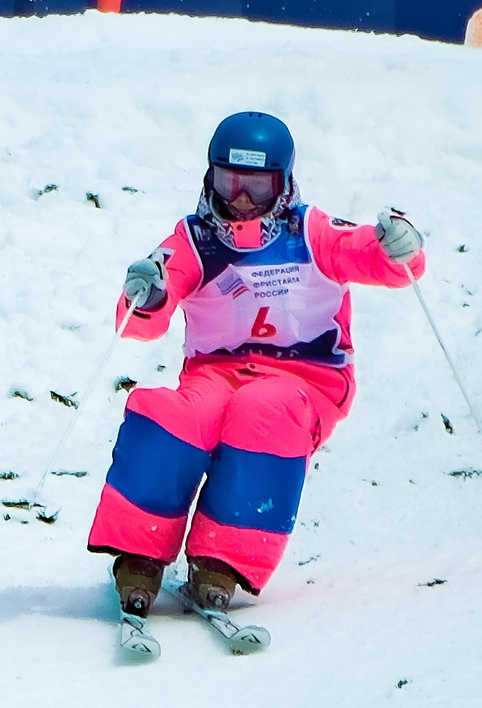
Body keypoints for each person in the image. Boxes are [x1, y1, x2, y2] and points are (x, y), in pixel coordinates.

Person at [86, 111, 424, 646]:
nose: (240, 200)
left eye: (257, 186)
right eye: (229, 182)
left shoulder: (309, 231)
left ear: (283, 182)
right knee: (169, 412)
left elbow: (366, 255)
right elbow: (147, 311)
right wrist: (144, 295)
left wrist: (395, 249)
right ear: (210, 177)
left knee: (264, 409)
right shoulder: (195, 239)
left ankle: (223, 560)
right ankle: (139, 553)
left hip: (306, 379)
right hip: (216, 375)